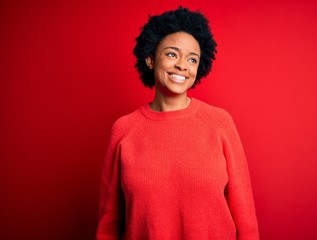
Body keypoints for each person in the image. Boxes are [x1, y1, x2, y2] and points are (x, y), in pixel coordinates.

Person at [96, 7, 259, 240]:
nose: (183, 65)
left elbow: (244, 213)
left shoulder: (219, 122)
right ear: (151, 59)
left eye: (192, 59)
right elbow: (109, 223)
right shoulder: (124, 130)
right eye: (172, 54)